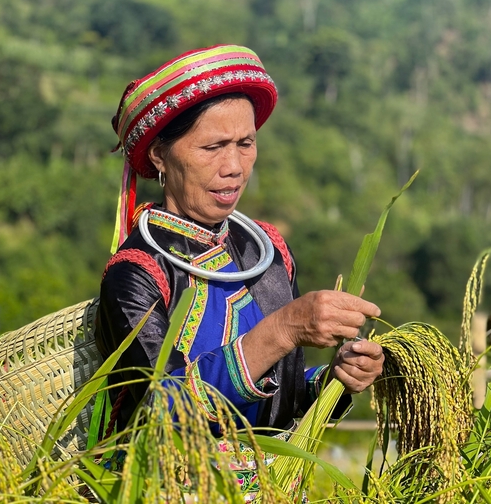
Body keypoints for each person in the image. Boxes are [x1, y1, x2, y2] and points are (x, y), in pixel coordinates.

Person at [95, 44, 384, 436]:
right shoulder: (136, 273)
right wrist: (283, 329)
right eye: (213, 147)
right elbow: (159, 408)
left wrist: (336, 378)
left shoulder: (268, 249)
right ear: (161, 155)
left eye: (245, 144)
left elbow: (282, 392)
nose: (233, 168)